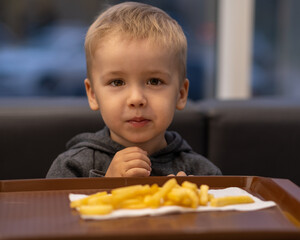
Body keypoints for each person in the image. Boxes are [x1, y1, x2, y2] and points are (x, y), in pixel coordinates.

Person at [46, 2, 221, 178]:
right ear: (92, 94)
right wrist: (105, 187)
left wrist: (192, 204)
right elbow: (52, 206)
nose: (136, 98)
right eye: (117, 82)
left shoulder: (202, 174)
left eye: (154, 81)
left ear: (181, 94)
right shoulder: (71, 167)